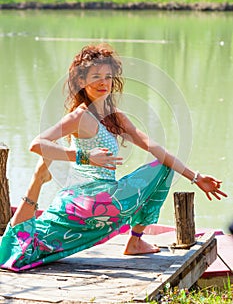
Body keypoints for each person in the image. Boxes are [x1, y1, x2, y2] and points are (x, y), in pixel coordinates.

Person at [0, 43, 227, 272]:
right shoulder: (80, 116)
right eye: (96, 76)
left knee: (35, 246)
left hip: (98, 203)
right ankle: (135, 240)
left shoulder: (115, 117)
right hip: (92, 204)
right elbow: (36, 144)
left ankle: (134, 240)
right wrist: (85, 156)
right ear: (81, 82)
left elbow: (154, 146)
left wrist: (195, 177)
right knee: (163, 168)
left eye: (108, 76)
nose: (103, 82)